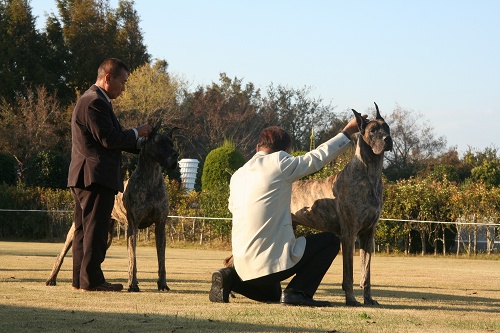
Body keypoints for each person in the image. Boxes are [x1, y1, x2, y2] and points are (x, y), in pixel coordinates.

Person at [209, 117, 361, 306]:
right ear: (286, 150)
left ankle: (229, 277)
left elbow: (235, 208)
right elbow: (316, 158)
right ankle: (298, 292)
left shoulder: (238, 174)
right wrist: (347, 132)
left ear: (258, 147)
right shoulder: (279, 161)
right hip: (270, 263)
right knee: (329, 241)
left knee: (273, 294)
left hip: (243, 266)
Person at [67, 58, 152, 292]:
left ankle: (80, 281)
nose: (123, 88)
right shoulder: (95, 102)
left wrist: (139, 142)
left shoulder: (92, 100)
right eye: (122, 82)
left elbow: (107, 138)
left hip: (84, 176)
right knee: (95, 231)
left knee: (84, 232)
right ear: (107, 78)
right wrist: (136, 132)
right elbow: (109, 139)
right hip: (95, 176)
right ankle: (92, 281)